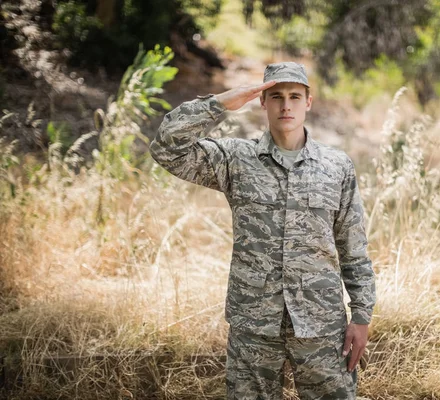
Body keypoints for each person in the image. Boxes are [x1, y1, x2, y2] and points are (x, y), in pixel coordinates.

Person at [149, 61, 376, 399]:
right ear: (263, 102)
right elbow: (167, 147)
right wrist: (222, 102)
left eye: (295, 97)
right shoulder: (236, 159)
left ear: (308, 103)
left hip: (321, 325)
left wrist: (361, 315)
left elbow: (352, 244)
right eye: (276, 96)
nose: (286, 105)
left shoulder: (336, 166)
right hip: (254, 325)